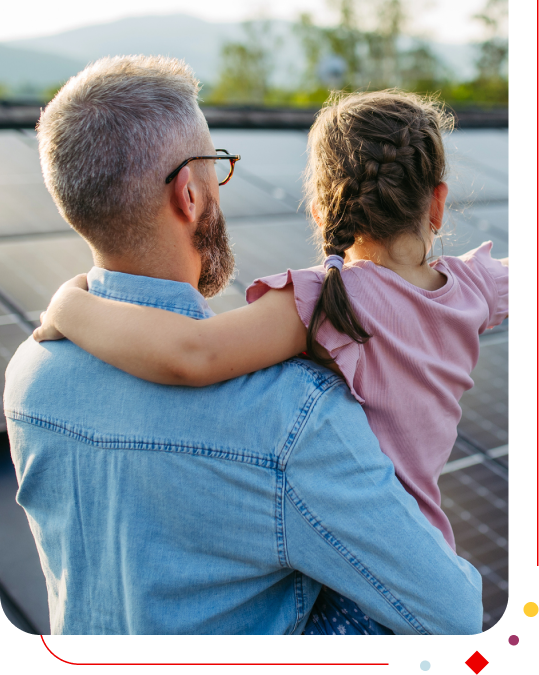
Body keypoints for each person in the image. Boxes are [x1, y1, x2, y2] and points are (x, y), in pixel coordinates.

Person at [5, 55, 483, 636]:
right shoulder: (292, 414)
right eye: (217, 167)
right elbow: (451, 615)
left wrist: (65, 303)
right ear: (188, 193)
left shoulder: (29, 375)